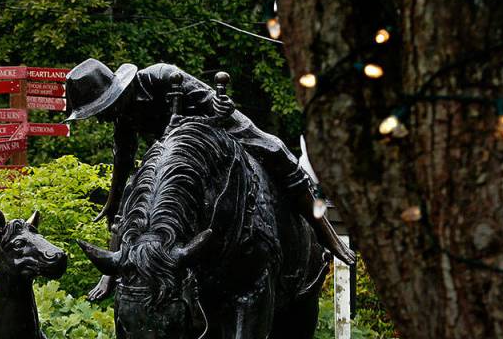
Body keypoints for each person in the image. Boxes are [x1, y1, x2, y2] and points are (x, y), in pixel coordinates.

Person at [65, 58, 356, 300]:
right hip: (179, 159)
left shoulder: (161, 77)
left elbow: (211, 102)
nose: (100, 118)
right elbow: (123, 159)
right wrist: (114, 200)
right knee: (135, 193)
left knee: (276, 150)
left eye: (100, 110)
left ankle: (324, 231)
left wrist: (220, 107)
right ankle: (114, 269)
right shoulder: (122, 114)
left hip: (216, 130)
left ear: (115, 95)